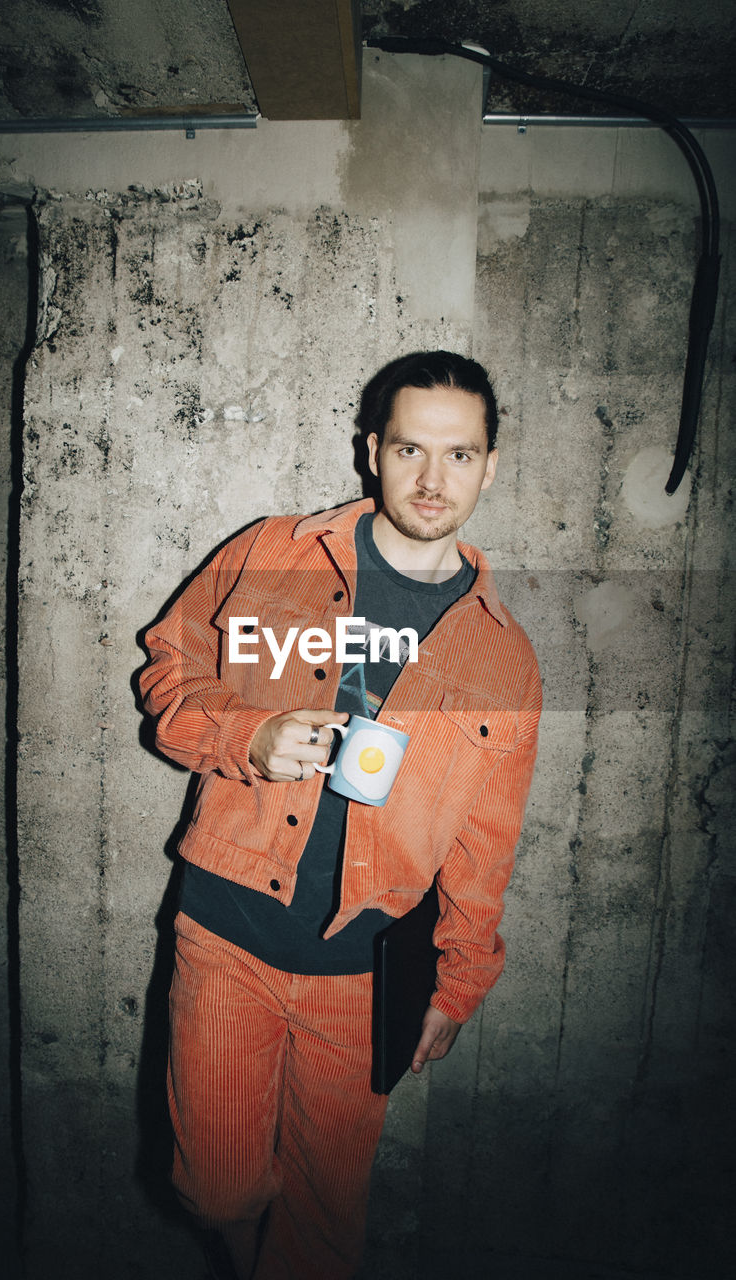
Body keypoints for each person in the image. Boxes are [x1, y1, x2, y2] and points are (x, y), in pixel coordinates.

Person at [139, 351, 541, 1280]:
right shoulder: (275, 553)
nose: (431, 479)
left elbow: (487, 845)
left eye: (458, 454)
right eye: (409, 449)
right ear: (372, 452)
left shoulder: (502, 659)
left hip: (362, 975)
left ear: (490, 465)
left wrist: (458, 983)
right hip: (228, 934)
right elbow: (168, 665)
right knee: (216, 1192)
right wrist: (245, 735)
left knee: (325, 1228)